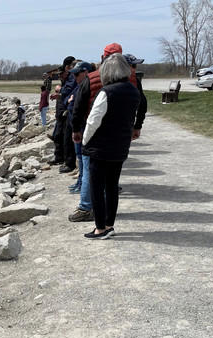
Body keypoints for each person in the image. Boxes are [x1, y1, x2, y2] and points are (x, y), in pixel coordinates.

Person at [68, 43, 145, 222]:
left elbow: (80, 106)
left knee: (90, 172)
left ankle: (87, 209)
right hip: (120, 136)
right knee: (111, 181)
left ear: (103, 58)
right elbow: (142, 104)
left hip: (95, 136)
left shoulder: (93, 78)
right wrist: (137, 126)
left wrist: (77, 131)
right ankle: (107, 216)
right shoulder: (132, 80)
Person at [81, 53, 140, 239]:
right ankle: (109, 224)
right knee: (112, 186)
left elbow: (93, 120)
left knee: (97, 187)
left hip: (101, 147)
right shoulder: (133, 91)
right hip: (120, 145)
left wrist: (85, 141)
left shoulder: (107, 92)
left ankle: (100, 227)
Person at [65, 61, 93, 193]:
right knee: (80, 157)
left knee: (83, 159)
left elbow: (75, 105)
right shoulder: (79, 86)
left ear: (86, 72)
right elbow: (67, 102)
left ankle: (82, 185)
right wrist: (69, 101)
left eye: (77, 74)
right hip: (77, 128)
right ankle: (80, 182)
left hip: (82, 129)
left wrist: (71, 101)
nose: (74, 77)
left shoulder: (86, 86)